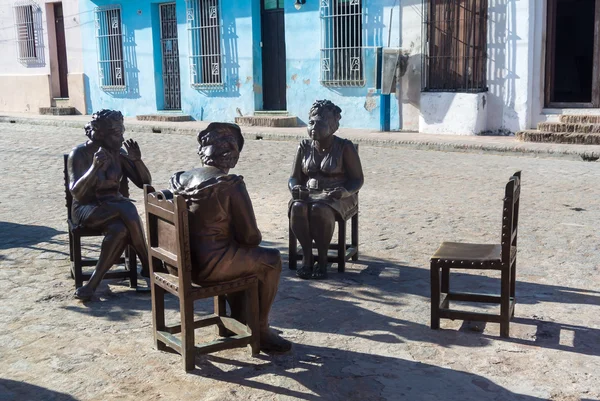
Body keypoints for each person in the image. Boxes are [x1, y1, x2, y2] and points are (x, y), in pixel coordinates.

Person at [169, 122, 292, 353]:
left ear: (201, 151)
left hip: (179, 265)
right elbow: (251, 237)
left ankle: (239, 320)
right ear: (233, 158)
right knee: (270, 259)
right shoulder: (229, 185)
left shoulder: (178, 180)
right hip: (208, 269)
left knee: (236, 253)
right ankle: (261, 328)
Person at [67, 109, 152, 300]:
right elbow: (77, 192)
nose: (122, 138)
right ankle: (149, 265)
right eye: (117, 134)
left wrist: (137, 160)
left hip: (115, 209)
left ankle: (91, 285)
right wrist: (94, 167)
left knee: (120, 230)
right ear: (101, 133)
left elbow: (145, 182)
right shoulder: (79, 154)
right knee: (128, 208)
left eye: (122, 132)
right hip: (86, 209)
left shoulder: (119, 154)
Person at [288, 100, 364, 279]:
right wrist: (295, 187)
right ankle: (307, 256)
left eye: (320, 123)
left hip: (338, 195)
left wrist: (344, 192)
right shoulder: (304, 147)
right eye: (311, 122)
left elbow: (357, 179)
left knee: (319, 210)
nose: (314, 127)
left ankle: (322, 259)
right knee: (297, 207)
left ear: (332, 126)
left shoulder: (345, 147)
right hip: (309, 193)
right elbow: (294, 177)